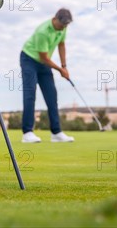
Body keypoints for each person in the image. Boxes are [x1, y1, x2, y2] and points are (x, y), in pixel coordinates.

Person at [20, 8, 75, 143]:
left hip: (44, 63)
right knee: (30, 94)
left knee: (52, 96)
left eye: (66, 25)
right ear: (55, 19)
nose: (63, 28)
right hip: (29, 60)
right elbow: (43, 57)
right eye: (62, 25)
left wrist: (64, 66)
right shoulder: (43, 32)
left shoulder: (62, 28)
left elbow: (61, 45)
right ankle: (27, 133)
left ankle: (56, 133)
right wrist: (60, 70)